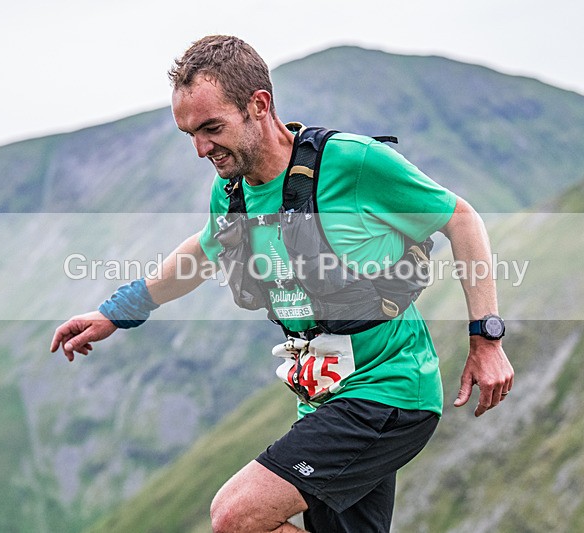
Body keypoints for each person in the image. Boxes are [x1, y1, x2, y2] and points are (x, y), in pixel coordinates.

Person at [50, 35, 514, 533]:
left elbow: (460, 218)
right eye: (189, 134)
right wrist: (113, 313)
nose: (201, 149)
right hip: (321, 396)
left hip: (389, 392)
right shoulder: (231, 190)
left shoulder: (353, 163)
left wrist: (485, 338)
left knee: (236, 516)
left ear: (259, 105)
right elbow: (203, 251)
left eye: (211, 128)